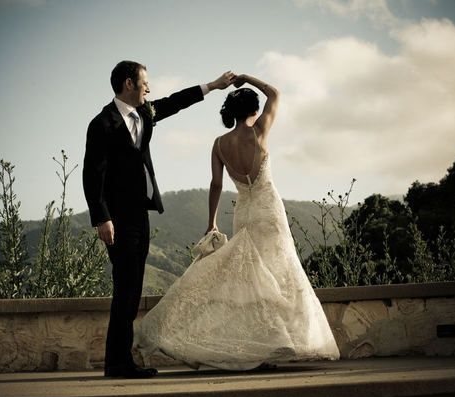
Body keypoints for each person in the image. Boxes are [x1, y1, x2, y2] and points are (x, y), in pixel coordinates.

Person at [135, 74, 340, 370]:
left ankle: (262, 345)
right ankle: (276, 343)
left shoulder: (219, 144)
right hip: (268, 209)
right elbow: (275, 93)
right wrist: (245, 78)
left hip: (244, 211)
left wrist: (212, 222)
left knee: (251, 280)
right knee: (279, 272)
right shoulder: (259, 132)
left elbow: (216, 185)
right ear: (253, 111)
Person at [82, 60, 235, 379]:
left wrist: (213, 85)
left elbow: (174, 102)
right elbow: (91, 173)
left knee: (133, 288)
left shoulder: (144, 114)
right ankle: (118, 363)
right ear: (128, 84)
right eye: (144, 83)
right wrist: (102, 218)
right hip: (118, 218)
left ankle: (120, 361)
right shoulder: (103, 124)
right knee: (125, 287)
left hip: (141, 214)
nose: (148, 88)